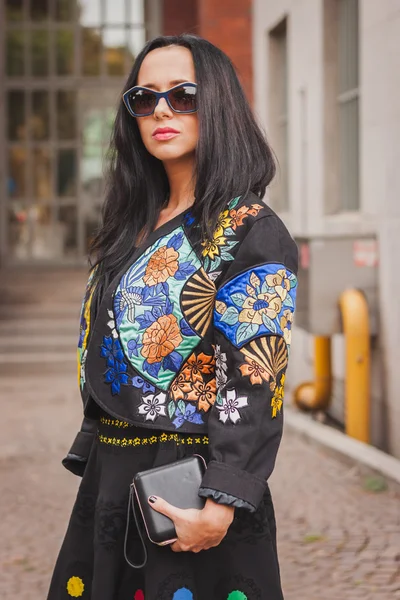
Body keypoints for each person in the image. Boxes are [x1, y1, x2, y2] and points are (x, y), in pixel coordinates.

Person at [47, 34, 298, 600]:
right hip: (113, 475)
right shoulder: (131, 224)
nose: (161, 109)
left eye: (183, 95)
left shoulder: (247, 227)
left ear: (220, 105)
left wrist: (226, 497)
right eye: (145, 97)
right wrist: (94, 443)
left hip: (193, 485)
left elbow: (257, 374)